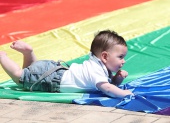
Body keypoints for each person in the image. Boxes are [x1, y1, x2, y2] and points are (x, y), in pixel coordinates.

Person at [0, 30, 133, 98]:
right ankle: (2, 56)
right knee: (19, 77)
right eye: (120, 57)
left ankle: (29, 54)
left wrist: (117, 79)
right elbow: (108, 89)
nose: (123, 61)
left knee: (29, 73)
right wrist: (124, 93)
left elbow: (108, 85)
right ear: (104, 56)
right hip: (53, 79)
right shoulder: (96, 71)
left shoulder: (97, 63)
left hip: (54, 71)